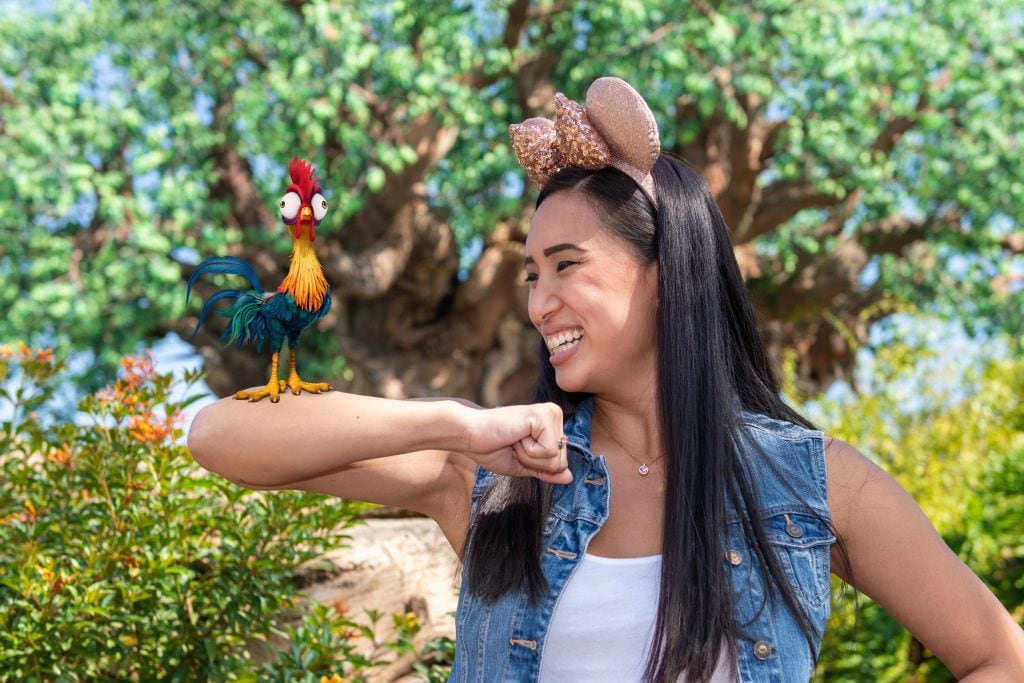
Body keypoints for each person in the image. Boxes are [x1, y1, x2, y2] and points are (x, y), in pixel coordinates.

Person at [187, 77, 1024, 682]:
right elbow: (219, 436)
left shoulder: (815, 482)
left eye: (566, 266)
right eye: (529, 274)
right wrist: (456, 422)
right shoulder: (495, 474)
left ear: (667, 273)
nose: (538, 302)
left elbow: (997, 655)